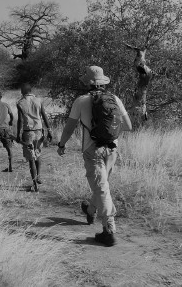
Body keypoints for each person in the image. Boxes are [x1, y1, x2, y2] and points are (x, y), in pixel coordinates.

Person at [56, 66, 132, 247]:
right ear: (103, 82)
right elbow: (128, 126)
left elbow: (69, 127)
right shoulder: (115, 99)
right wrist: (110, 133)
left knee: (102, 188)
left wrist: (61, 144)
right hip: (112, 149)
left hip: (92, 150)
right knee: (102, 186)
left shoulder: (81, 101)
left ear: (88, 83)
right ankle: (90, 210)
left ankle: (109, 230)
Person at [16, 83, 53, 192]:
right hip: (39, 131)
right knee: (38, 154)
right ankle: (39, 176)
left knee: (31, 158)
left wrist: (18, 134)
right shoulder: (38, 100)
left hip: (28, 133)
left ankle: (34, 183)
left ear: (22, 92)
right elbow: (44, 115)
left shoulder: (20, 103)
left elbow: (20, 120)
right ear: (30, 91)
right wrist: (49, 130)